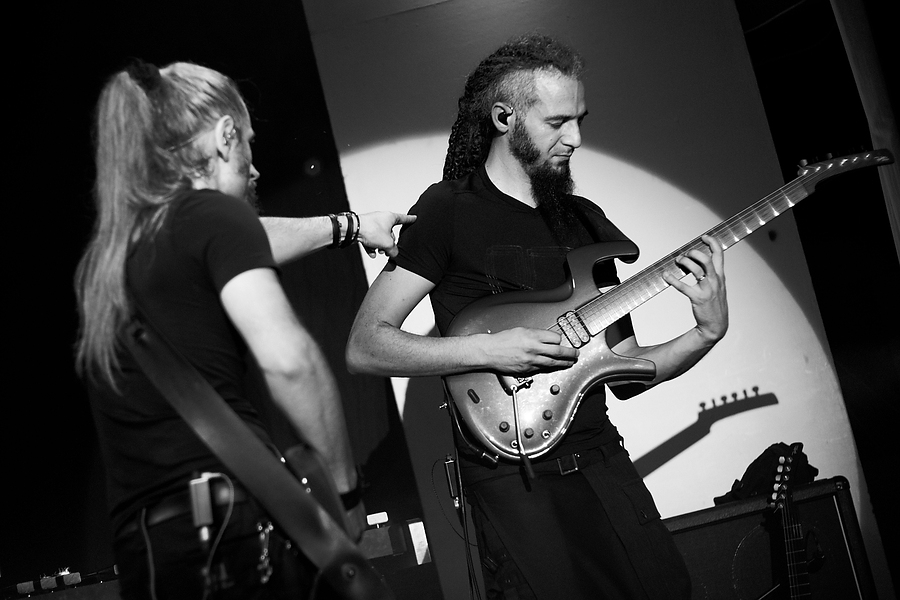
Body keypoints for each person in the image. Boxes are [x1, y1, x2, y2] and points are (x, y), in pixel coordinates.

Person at [346, 33, 728, 599]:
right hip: (510, 479)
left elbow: (624, 370)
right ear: (504, 117)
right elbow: (365, 346)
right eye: (556, 123)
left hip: (600, 458)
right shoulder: (447, 210)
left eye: (579, 120)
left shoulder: (584, 221)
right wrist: (487, 350)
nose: (575, 138)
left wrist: (706, 332)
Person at [74, 59, 413, 600]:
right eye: (249, 142)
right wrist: (346, 497)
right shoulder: (210, 216)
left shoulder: (114, 257)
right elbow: (291, 362)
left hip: (152, 551)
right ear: (227, 136)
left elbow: (244, 237)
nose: (255, 168)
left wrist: (350, 226)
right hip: (230, 533)